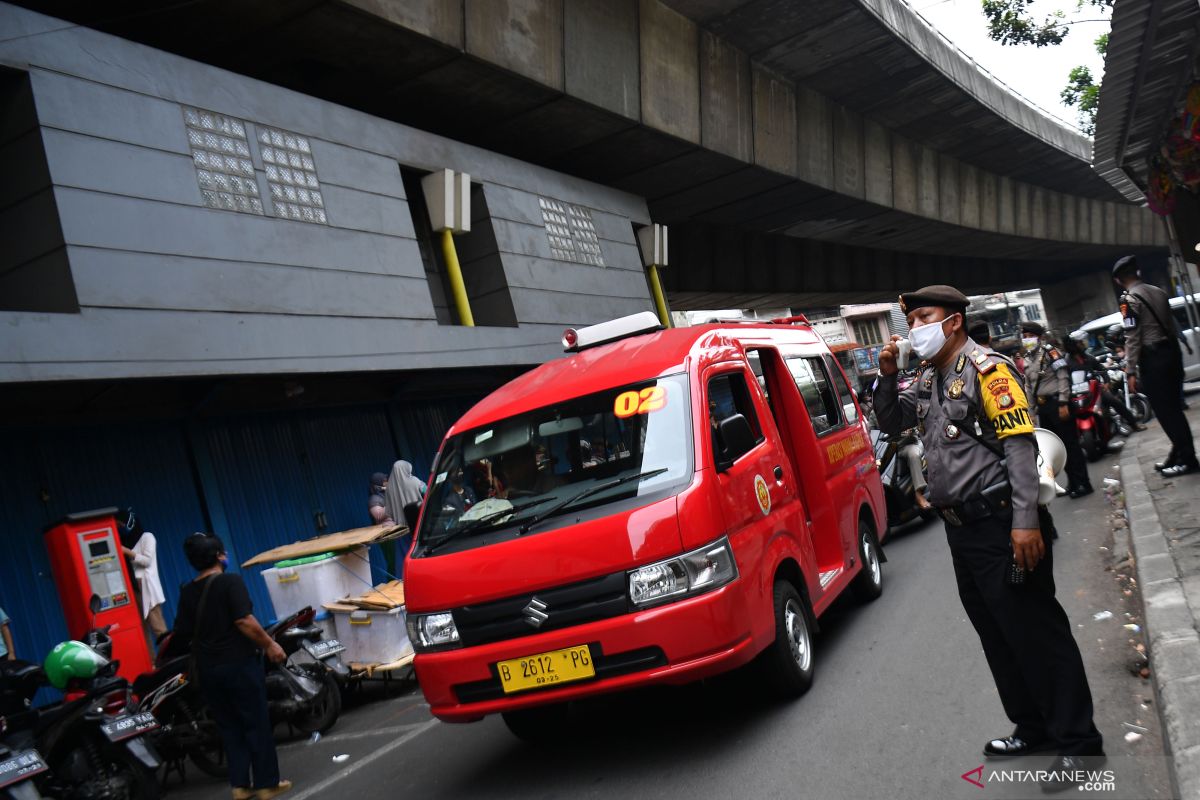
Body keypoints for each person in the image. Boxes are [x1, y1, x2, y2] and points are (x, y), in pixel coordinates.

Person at [874, 285, 1103, 792]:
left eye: (923, 317)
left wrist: (1025, 522)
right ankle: (1034, 726)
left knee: (1037, 631)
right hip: (963, 531)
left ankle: (1080, 744)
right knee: (998, 633)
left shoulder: (989, 370)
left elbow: (1020, 447)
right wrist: (887, 378)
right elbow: (889, 421)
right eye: (910, 320)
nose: (914, 328)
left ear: (952, 321)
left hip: (1003, 522)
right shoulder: (931, 378)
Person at [169, 533, 291, 800]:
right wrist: (270, 645)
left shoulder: (187, 592)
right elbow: (244, 621)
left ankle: (239, 786)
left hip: (209, 671)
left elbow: (182, 633)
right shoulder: (229, 582)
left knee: (229, 726)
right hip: (238, 665)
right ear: (219, 556)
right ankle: (267, 783)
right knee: (255, 723)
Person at [1113, 255, 1199, 476]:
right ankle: (1177, 455)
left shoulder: (1129, 300)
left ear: (1118, 280)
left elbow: (1132, 337)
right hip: (1171, 354)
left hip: (1153, 360)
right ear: (1137, 272)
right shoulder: (1159, 292)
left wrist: (1130, 370)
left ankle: (1188, 460)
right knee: (1174, 409)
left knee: (1167, 413)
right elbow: (1170, 325)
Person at [1020, 322, 1092, 498]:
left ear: (1039, 336)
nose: (1027, 339)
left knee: (1071, 445)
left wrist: (1063, 403)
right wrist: (1031, 411)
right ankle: (1073, 483)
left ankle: (1084, 483)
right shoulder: (1028, 358)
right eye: (1025, 336)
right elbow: (1028, 387)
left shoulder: (1050, 352)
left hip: (1057, 405)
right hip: (1043, 407)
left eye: (1030, 336)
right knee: (1056, 448)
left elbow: (1063, 377)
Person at [1064, 331, 1145, 432]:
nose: (1084, 344)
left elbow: (1102, 369)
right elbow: (1064, 379)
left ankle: (1133, 424)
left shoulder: (1088, 358)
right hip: (1076, 394)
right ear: (1075, 345)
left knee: (1115, 401)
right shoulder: (1066, 362)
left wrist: (1106, 382)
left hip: (1094, 390)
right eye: (1080, 342)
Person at [118, 509, 168, 643]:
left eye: (122, 525)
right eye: (118, 526)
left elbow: (147, 561)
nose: (121, 528)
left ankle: (170, 656)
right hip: (132, 590)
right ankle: (151, 662)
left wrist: (127, 552)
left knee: (158, 627)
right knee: (141, 629)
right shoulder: (122, 540)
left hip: (147, 589)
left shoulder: (147, 537)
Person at [385, 460, 426, 575]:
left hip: (401, 530)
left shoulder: (389, 489)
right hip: (419, 526)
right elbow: (428, 492)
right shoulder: (415, 481)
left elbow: (388, 512)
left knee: (404, 558)